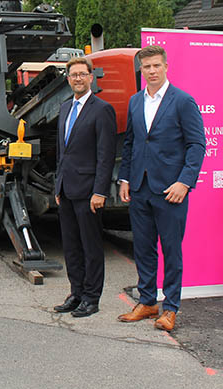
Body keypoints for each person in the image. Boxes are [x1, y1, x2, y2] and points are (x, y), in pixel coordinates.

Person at [117, 45, 205, 331]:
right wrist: (125, 179)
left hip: (170, 190)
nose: (152, 71)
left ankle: (170, 308)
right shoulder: (134, 102)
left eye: (156, 66)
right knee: (142, 248)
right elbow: (130, 143)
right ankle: (147, 301)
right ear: (141, 71)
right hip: (140, 188)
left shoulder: (182, 101)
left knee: (171, 250)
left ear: (166, 66)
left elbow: (197, 145)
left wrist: (184, 182)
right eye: (147, 67)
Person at [53, 57, 117, 318]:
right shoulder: (65, 108)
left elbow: (106, 155)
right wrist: (57, 186)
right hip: (67, 189)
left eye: (82, 74)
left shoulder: (102, 110)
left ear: (91, 77)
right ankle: (76, 292)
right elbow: (61, 152)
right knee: (71, 246)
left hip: (89, 191)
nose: (77, 78)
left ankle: (92, 297)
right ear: (68, 79)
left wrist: (99, 191)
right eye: (73, 75)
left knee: (91, 247)